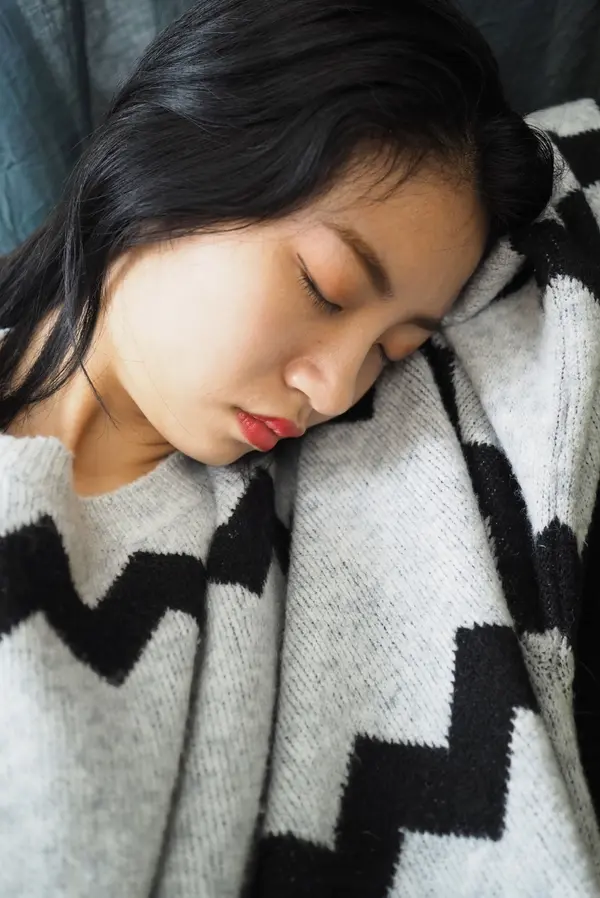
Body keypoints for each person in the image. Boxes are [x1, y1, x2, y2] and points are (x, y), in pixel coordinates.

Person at [0, 0, 558, 895]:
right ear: (168, 157)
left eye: (390, 352)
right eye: (326, 290)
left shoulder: (281, 533)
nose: (336, 392)